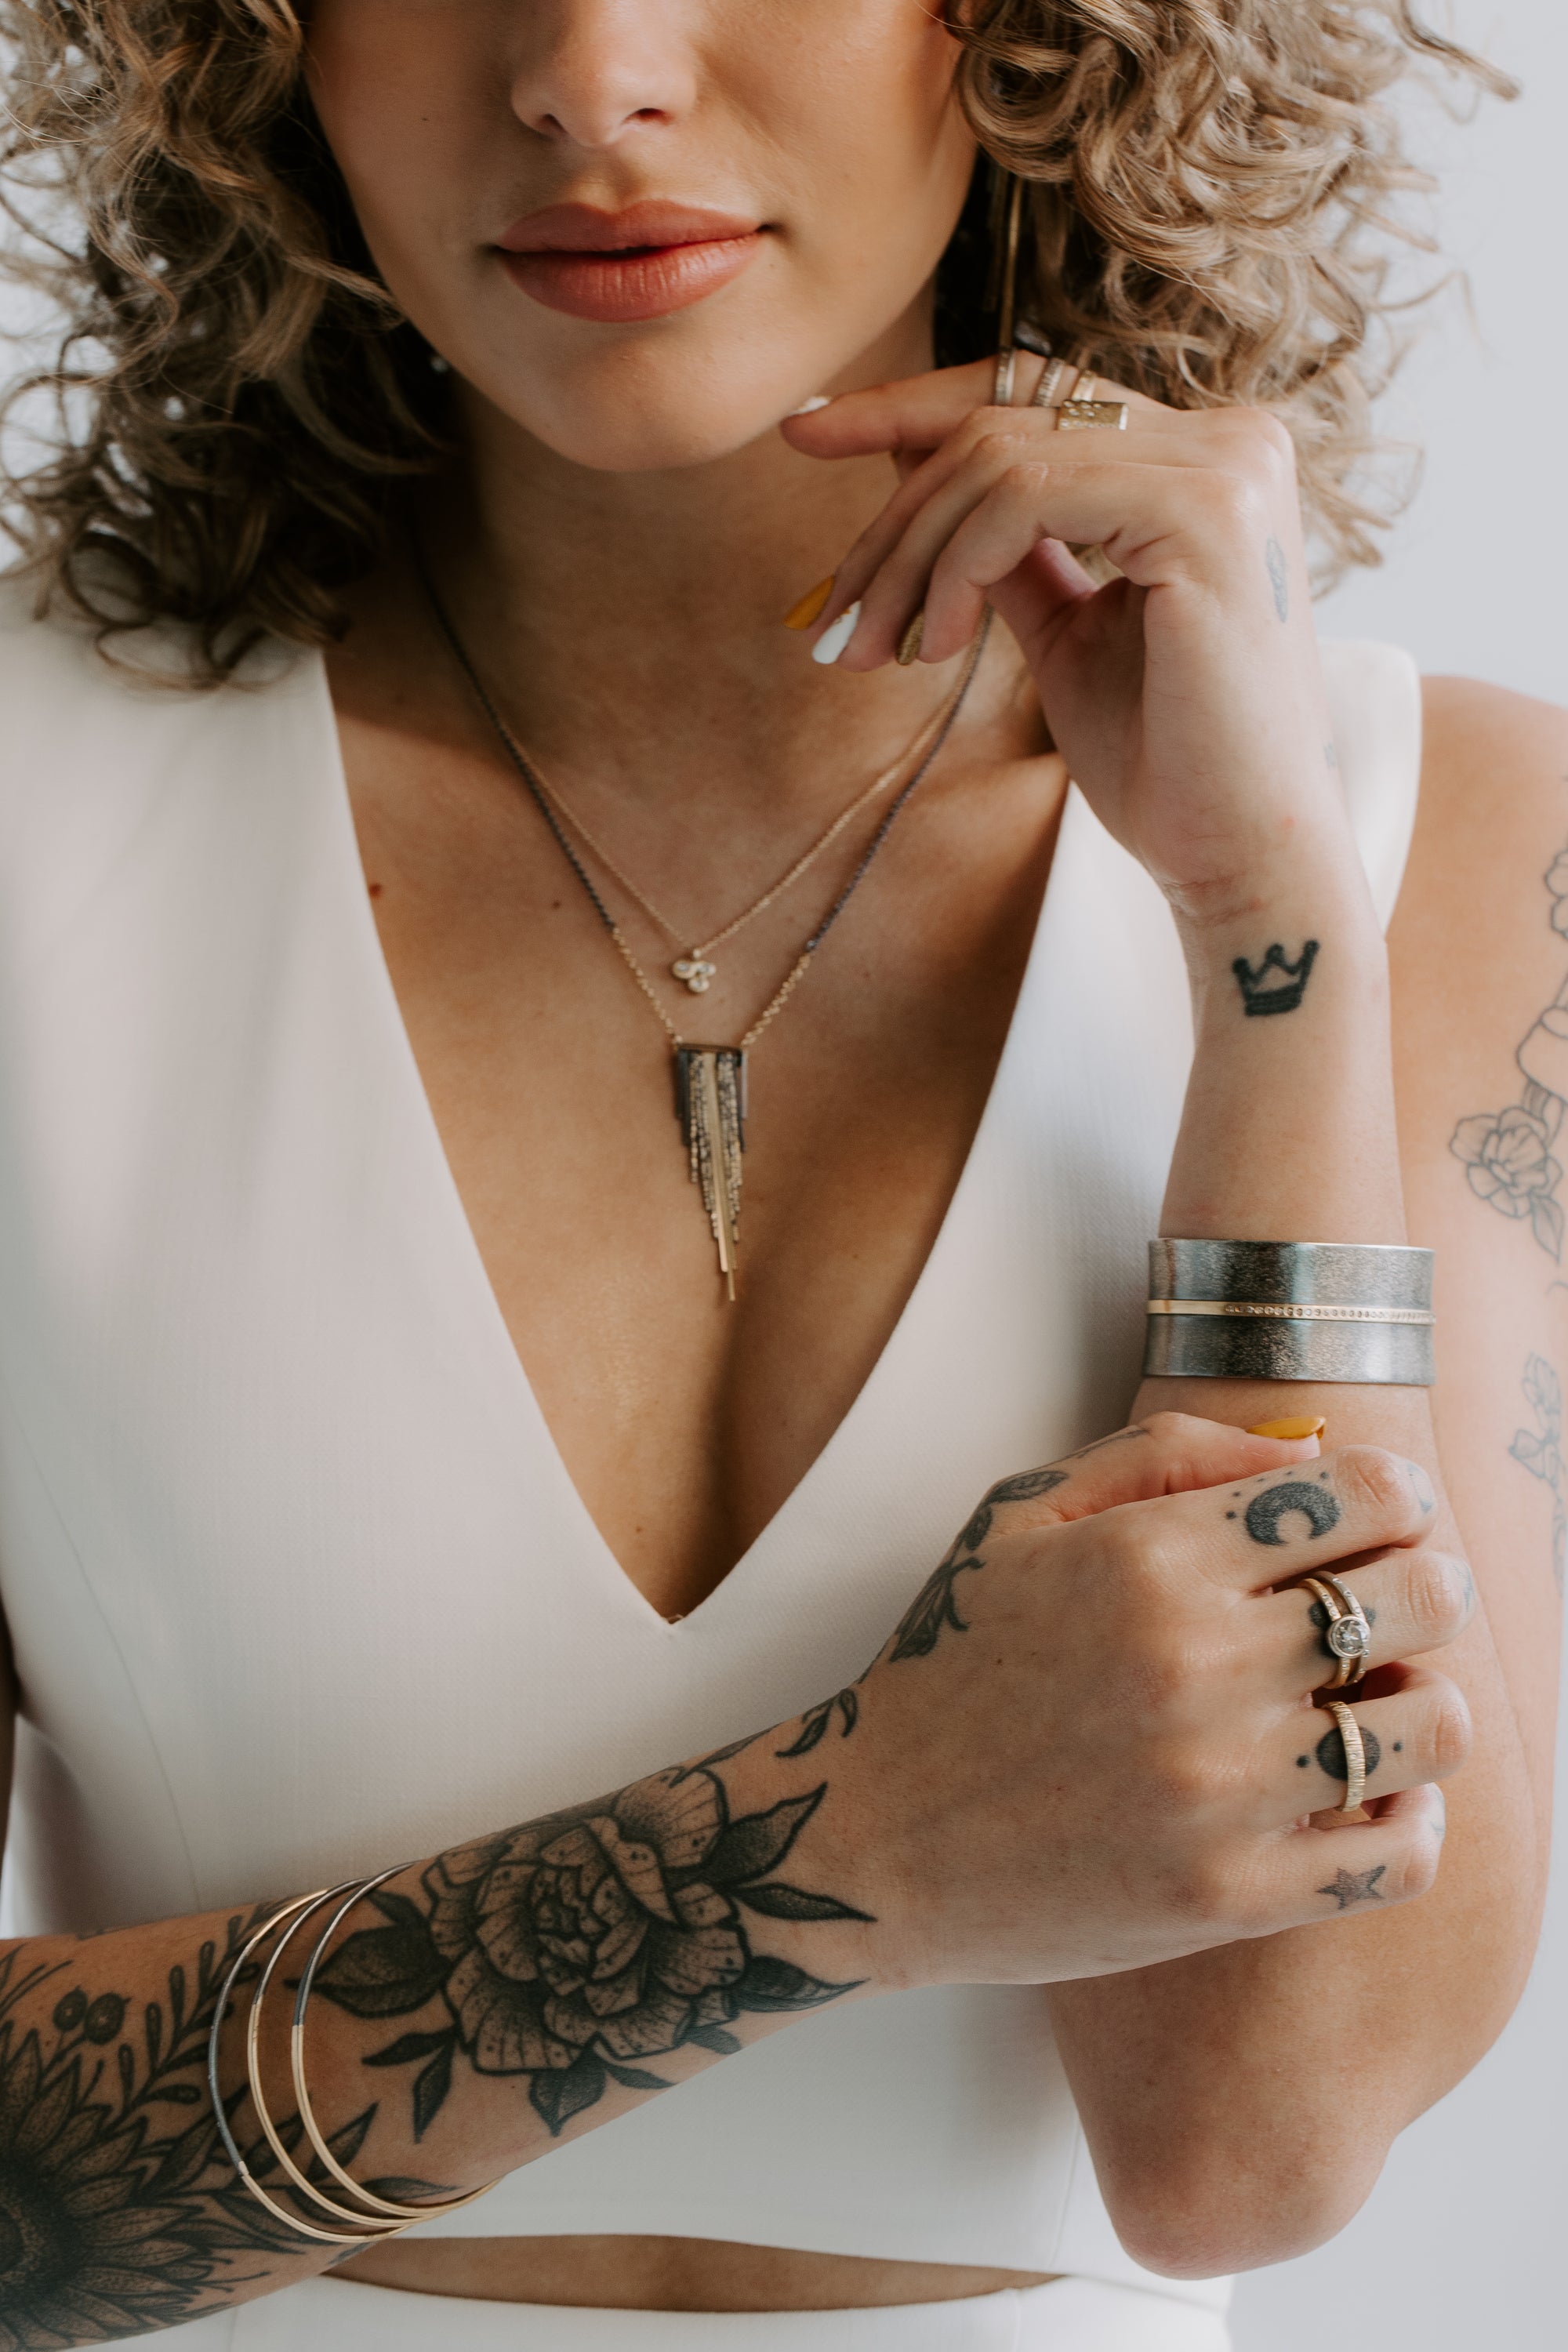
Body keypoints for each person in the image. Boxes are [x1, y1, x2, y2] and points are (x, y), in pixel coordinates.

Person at [0, 2, 1559, 2347]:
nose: (590, 70)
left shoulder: (1454, 852)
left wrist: (1272, 946)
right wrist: (873, 1838)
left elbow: (1249, 2140)